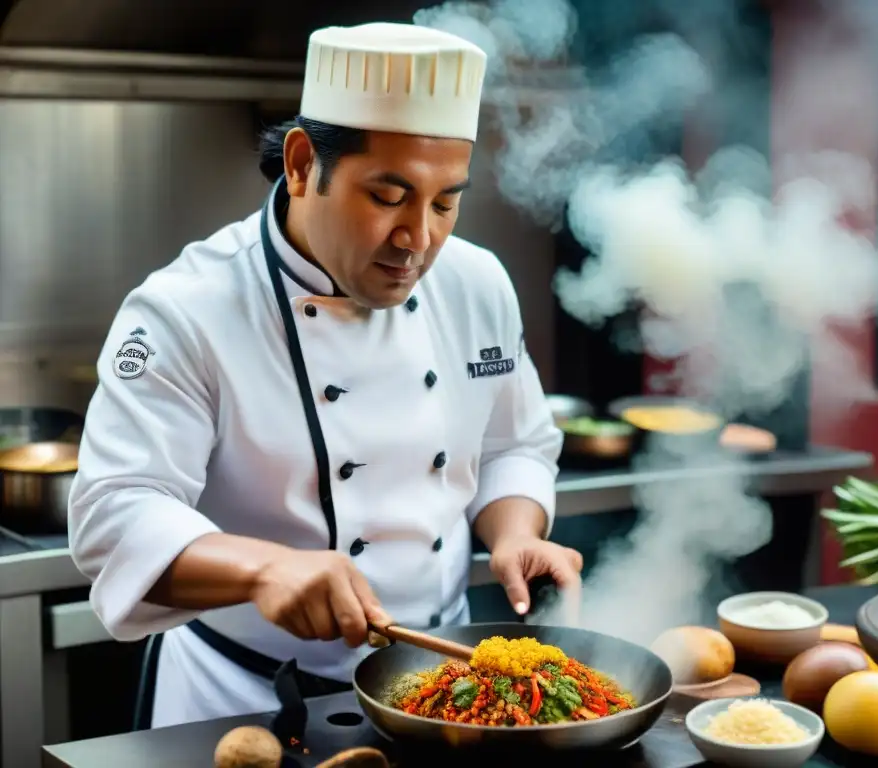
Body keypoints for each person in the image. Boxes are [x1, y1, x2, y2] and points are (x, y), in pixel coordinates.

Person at [67, 21, 582, 729]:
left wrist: (515, 532)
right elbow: (115, 515)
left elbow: (513, 444)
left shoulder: (477, 282)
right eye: (387, 196)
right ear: (304, 163)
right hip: (241, 704)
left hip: (445, 693)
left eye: (444, 202)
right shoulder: (186, 309)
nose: (419, 240)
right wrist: (264, 568)